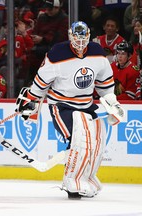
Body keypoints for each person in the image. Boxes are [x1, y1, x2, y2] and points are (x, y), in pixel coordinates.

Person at [15, 21, 125, 199]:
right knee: (78, 139)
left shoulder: (98, 53)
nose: (80, 43)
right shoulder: (57, 53)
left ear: (89, 36)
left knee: (96, 140)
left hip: (87, 105)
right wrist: (31, 100)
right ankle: (71, 181)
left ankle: (87, 177)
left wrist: (112, 103)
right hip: (62, 105)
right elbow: (41, 82)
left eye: (84, 38)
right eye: (77, 38)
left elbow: (105, 84)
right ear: (70, 36)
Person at [26, 0, 68, 85]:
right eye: (47, 9)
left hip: (55, 48)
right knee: (32, 53)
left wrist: (43, 39)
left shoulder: (64, 19)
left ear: (57, 7)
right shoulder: (42, 17)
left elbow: (59, 38)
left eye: (50, 9)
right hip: (40, 47)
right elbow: (35, 32)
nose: (47, 11)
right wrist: (35, 38)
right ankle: (31, 82)